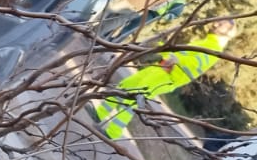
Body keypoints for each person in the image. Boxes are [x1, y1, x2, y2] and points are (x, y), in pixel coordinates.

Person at [91, 18, 237, 140]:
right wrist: (164, 48)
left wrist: (174, 58)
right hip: (161, 70)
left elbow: (192, 64)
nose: (215, 23)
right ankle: (101, 113)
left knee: (132, 97)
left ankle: (113, 131)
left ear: (228, 32)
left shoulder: (214, 48)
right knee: (125, 85)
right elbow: (184, 55)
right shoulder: (207, 41)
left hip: (167, 76)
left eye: (221, 24)